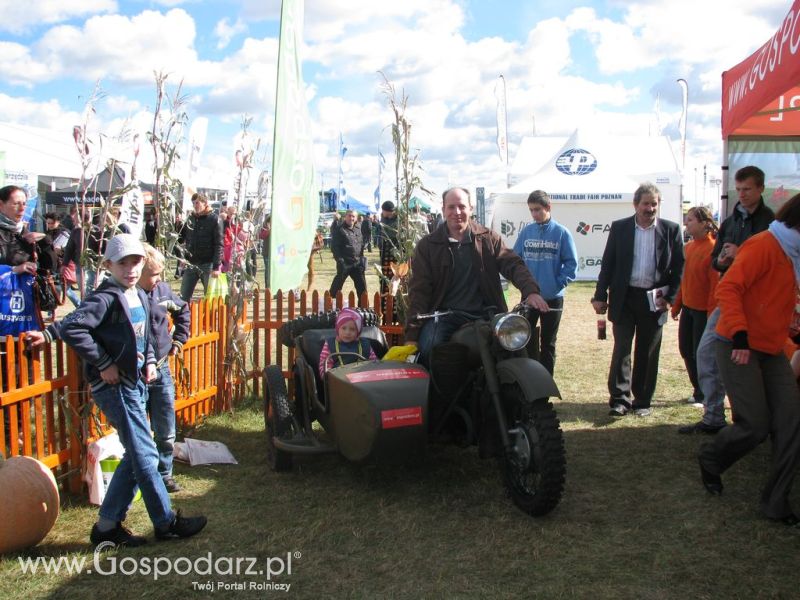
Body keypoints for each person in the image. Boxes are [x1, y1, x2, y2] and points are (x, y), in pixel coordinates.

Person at [59, 233, 207, 546]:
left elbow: (146, 337)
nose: (130, 268)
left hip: (136, 381)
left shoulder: (136, 293)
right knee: (146, 453)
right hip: (115, 387)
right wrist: (103, 362)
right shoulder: (106, 297)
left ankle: (107, 527)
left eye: (135, 261)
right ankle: (166, 523)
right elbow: (72, 326)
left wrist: (150, 361)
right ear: (108, 264)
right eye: (122, 262)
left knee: (136, 455)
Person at [697, 194, 800, 527]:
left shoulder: (793, 253)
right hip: (736, 344)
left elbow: (777, 297)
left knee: (790, 423)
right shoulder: (764, 245)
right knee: (756, 425)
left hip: (770, 348)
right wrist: (741, 334)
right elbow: (728, 289)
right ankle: (711, 459)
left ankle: (775, 502)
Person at [679, 166, 775, 434]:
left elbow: (775, 262)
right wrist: (721, 261)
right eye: (739, 189)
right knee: (706, 353)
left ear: (760, 189)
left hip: (760, 303)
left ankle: (756, 421)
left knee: (756, 362)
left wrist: (741, 252)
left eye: (748, 189)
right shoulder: (731, 222)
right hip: (730, 300)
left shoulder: (771, 223)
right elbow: (716, 260)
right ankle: (713, 416)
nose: (742, 194)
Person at [406, 186, 548, 365]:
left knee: (518, 347)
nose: (457, 212)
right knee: (430, 348)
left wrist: (531, 291)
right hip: (445, 316)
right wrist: (412, 334)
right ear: (443, 210)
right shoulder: (428, 246)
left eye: (462, 206)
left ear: (470, 209)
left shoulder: (488, 238)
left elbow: (513, 264)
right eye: (451, 207)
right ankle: (438, 393)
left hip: (488, 313)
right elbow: (419, 290)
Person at [591, 182, 684, 417]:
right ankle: (620, 399)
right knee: (622, 347)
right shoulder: (620, 228)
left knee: (648, 349)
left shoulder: (672, 230)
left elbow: (680, 268)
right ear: (635, 204)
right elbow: (608, 264)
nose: (650, 208)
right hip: (624, 297)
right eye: (646, 203)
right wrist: (600, 296)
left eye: (654, 204)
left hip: (655, 299)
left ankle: (642, 400)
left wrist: (671, 297)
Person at [139, 244, 190, 494]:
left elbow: (183, 310)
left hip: (161, 368)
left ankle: (165, 474)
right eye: (153, 274)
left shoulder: (162, 291)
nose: (158, 279)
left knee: (166, 426)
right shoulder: (127, 295)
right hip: (135, 373)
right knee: (138, 430)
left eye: (160, 273)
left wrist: (179, 340)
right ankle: (143, 474)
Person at [512, 190, 578, 375]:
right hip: (529, 298)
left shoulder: (561, 233)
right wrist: (523, 285)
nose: (534, 214)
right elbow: (516, 260)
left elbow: (571, 264)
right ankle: (528, 379)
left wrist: (557, 284)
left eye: (537, 209)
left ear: (548, 207)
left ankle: (546, 383)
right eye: (531, 210)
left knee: (548, 342)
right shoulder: (527, 231)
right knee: (525, 339)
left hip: (552, 298)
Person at [670, 207, 718, 407]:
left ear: (704, 223)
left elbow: (714, 287)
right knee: (685, 349)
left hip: (703, 312)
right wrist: (677, 305)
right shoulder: (688, 248)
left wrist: (710, 315)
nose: (686, 223)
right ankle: (697, 389)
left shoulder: (713, 248)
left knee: (702, 352)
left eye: (690, 220)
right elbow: (684, 280)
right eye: (686, 219)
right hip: (688, 309)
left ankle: (705, 393)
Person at [180, 193, 223, 301]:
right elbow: (185, 240)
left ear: (205, 203)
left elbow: (219, 244)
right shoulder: (191, 218)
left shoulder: (214, 219)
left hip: (208, 264)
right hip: (191, 263)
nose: (195, 205)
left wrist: (216, 267)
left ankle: (210, 318)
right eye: (193, 203)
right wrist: (184, 258)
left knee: (210, 297)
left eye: (197, 202)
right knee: (183, 297)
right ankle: (184, 317)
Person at [318, 308, 377, 378]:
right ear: (338, 328)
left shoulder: (365, 344)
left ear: (358, 332)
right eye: (343, 328)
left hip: (362, 381)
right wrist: (328, 377)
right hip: (339, 381)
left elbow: (374, 364)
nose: (347, 332)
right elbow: (324, 365)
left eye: (352, 329)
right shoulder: (330, 344)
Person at [329, 209, 367, 298]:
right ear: (345, 217)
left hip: (357, 263)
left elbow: (360, 244)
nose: (351, 218)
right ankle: (329, 306)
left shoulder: (359, 228)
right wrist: (340, 260)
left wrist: (362, 259)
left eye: (353, 216)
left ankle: (362, 309)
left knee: (362, 288)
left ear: (356, 218)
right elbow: (335, 247)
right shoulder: (339, 229)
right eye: (349, 216)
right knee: (336, 287)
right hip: (345, 263)